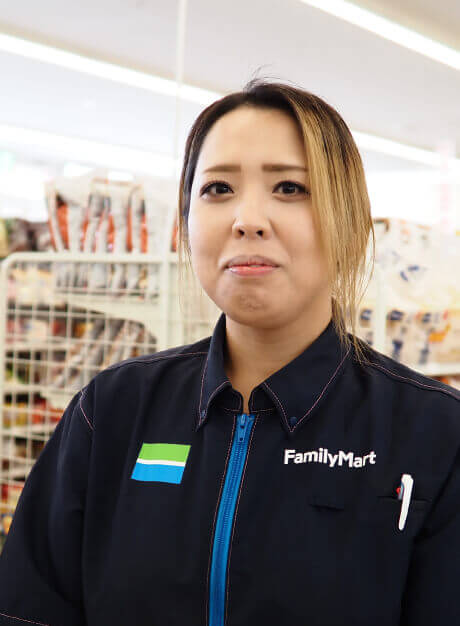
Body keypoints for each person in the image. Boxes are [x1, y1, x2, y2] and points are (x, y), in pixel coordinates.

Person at [0, 78, 459, 626]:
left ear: (352, 226)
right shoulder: (112, 409)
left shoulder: (434, 432)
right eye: (218, 188)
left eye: (289, 187)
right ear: (185, 226)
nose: (248, 219)